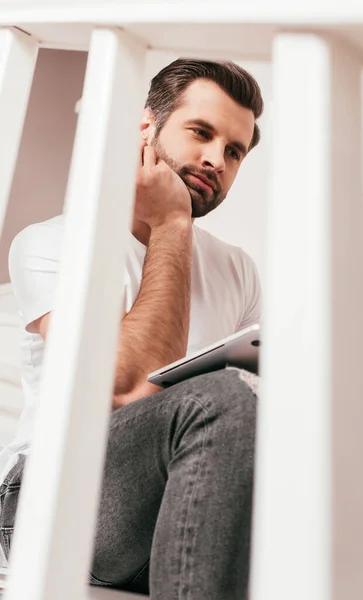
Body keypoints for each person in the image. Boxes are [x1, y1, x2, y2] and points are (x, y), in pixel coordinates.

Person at [0, 58, 264, 599]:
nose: (217, 158)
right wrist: (171, 225)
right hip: (51, 502)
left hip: (193, 498)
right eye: (202, 132)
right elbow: (128, 389)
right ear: (147, 131)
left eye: (234, 151)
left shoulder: (238, 269)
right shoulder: (52, 243)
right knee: (218, 397)